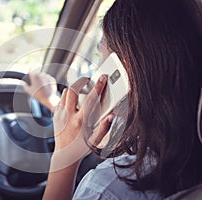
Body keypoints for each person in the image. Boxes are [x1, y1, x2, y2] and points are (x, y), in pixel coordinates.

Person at [23, 0, 202, 199]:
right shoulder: (185, 150)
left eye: (101, 56)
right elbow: (102, 133)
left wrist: (64, 157)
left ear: (125, 71)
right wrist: (51, 102)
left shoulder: (108, 189)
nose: (96, 71)